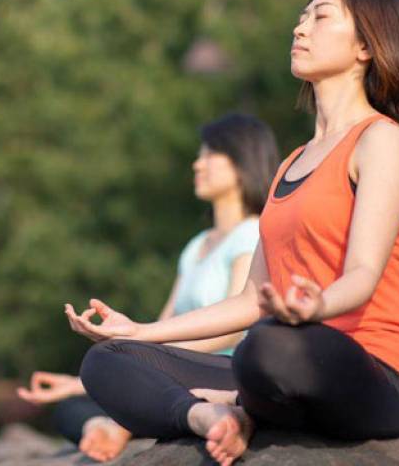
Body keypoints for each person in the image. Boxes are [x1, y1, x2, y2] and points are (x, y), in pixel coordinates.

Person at [65, 0, 399, 466]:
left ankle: (238, 403)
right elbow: (248, 301)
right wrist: (139, 331)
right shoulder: (291, 163)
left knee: (268, 348)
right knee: (107, 362)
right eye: (302, 17)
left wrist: (314, 306)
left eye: (321, 17)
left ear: (367, 45)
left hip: (373, 371)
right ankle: (210, 417)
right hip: (277, 362)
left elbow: (363, 274)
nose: (300, 29)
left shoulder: (381, 140)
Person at [18, 113, 280, 462]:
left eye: (208, 155)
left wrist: (156, 358)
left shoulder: (250, 235)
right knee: (70, 407)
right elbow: (159, 328)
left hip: (221, 371)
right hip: (175, 368)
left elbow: (233, 331)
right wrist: (79, 382)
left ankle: (129, 422)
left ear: (243, 160)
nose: (197, 164)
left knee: (117, 380)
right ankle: (107, 424)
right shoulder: (197, 246)